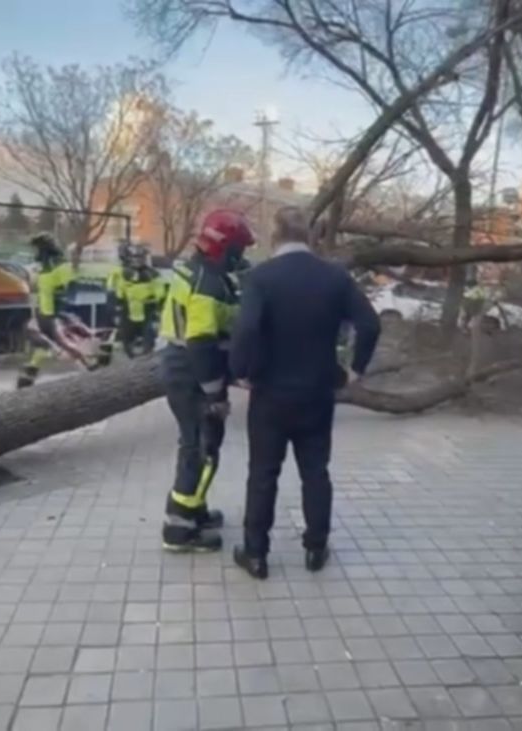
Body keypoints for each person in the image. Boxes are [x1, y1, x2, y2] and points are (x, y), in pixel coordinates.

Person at [229, 207, 381, 579]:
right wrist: (354, 370)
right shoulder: (334, 277)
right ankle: (315, 548)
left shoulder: (261, 277)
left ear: (275, 238)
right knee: (315, 471)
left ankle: (256, 554)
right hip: (317, 393)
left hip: (270, 394)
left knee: (263, 473)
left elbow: (247, 330)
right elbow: (370, 324)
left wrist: (242, 372)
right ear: (309, 238)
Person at [157, 209, 255, 552]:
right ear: (224, 248)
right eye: (238, 251)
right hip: (192, 372)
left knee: (195, 443)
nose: (240, 257)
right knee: (203, 448)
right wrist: (215, 394)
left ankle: (193, 510)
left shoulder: (198, 270)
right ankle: (179, 528)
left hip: (182, 367)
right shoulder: (208, 284)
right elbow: (200, 343)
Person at [18, 233, 83, 388]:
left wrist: (59, 302)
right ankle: (29, 376)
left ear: (44, 249)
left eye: (37, 248)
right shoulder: (45, 267)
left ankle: (90, 369)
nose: (35, 253)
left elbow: (70, 288)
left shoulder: (60, 266)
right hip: (44, 311)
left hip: (53, 313)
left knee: (57, 343)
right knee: (45, 342)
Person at [118, 245, 164, 358]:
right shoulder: (125, 273)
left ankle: (146, 358)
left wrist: (153, 300)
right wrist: (119, 305)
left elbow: (160, 292)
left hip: (147, 311)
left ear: (144, 258)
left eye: (140, 258)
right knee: (126, 341)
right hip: (129, 311)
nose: (137, 260)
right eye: (135, 258)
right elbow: (120, 291)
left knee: (149, 340)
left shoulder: (153, 274)